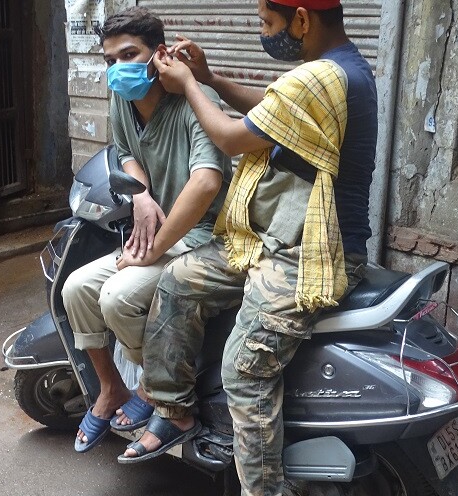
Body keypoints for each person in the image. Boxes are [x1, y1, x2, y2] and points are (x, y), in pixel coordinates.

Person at [118, 1, 378, 494]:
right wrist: (211, 78)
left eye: (266, 23)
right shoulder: (338, 69)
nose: (262, 33)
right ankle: (174, 410)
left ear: (301, 19)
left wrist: (189, 85)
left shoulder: (321, 77)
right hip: (274, 236)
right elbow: (270, 110)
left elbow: (232, 137)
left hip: (312, 251)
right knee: (178, 279)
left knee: (245, 369)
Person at [60, 7, 231, 453]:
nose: (118, 67)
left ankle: (158, 392)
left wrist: (155, 248)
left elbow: (207, 181)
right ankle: (111, 388)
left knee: (119, 297)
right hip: (159, 235)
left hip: (203, 237)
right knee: (76, 288)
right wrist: (140, 194)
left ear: (158, 54)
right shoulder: (122, 100)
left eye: (129, 54)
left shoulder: (193, 106)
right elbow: (123, 149)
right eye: (110, 59)